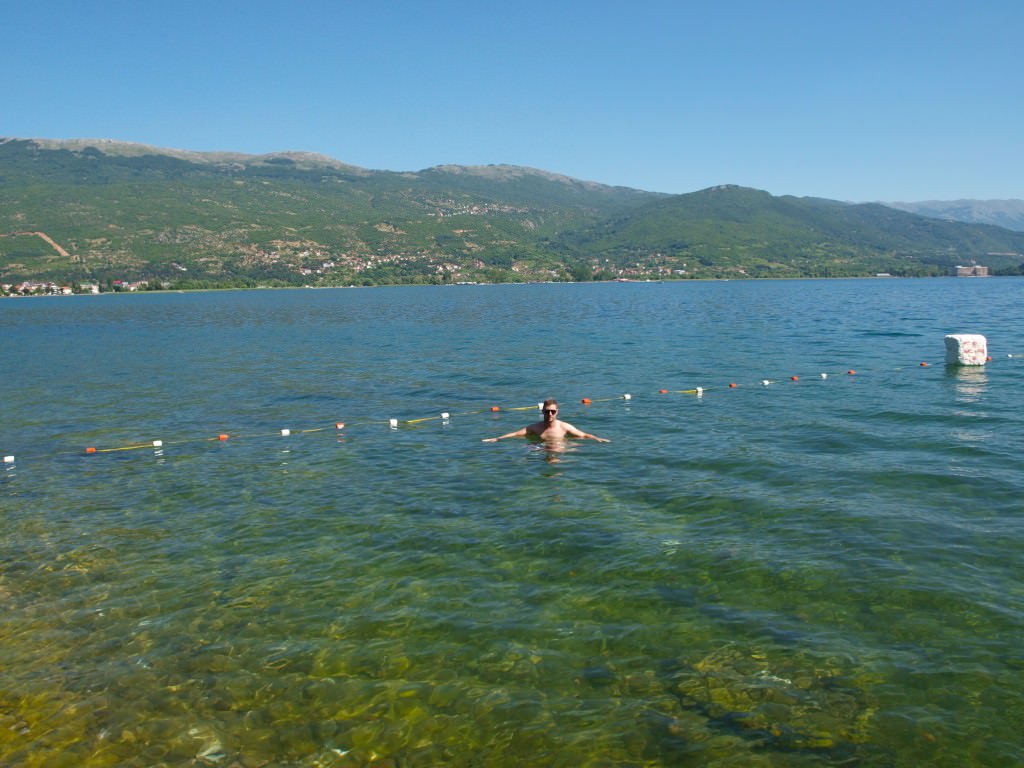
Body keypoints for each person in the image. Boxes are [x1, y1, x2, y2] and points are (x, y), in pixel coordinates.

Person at [482, 399, 610, 443]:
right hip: (541, 449)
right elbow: (515, 434)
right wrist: (497, 438)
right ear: (542, 411)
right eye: (547, 411)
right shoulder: (535, 428)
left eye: (553, 411)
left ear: (557, 412)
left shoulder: (564, 427)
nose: (550, 414)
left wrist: (597, 439)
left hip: (560, 450)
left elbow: (583, 435)